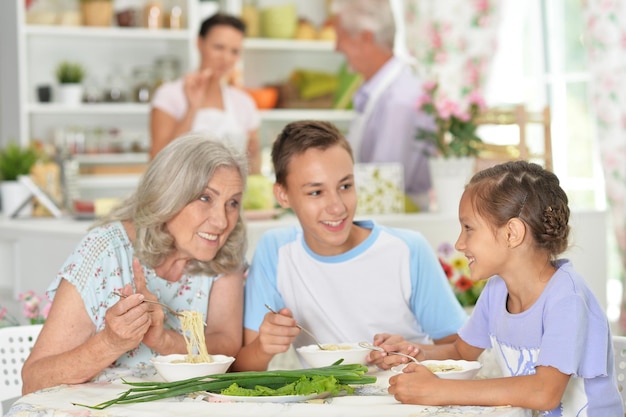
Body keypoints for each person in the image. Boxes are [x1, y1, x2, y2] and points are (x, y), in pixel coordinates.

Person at [385, 161, 623, 414]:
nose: (459, 243)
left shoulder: (567, 299)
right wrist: (414, 352)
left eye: (468, 228)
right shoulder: (497, 290)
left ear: (511, 233)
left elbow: (544, 393)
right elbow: (461, 352)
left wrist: (438, 391)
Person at [21, 133, 248, 394]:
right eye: (205, 198)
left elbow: (227, 345)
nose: (222, 221)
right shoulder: (105, 250)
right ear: (168, 194)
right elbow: (34, 380)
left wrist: (164, 340)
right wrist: (111, 341)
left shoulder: (224, 253)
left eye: (232, 203)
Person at [233, 120, 466, 372]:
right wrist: (264, 347)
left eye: (345, 186)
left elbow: (461, 350)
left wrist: (415, 352)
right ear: (283, 195)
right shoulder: (276, 251)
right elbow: (244, 370)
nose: (337, 207)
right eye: (316, 192)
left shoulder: (407, 250)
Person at [332, 0, 433, 210]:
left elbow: (382, 186)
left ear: (365, 37)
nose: (336, 47)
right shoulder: (376, 89)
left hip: (398, 221)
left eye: (340, 36)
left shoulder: (399, 99)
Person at [150, 13, 261, 174]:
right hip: (181, 198)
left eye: (234, 51)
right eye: (219, 47)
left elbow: (254, 171)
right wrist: (192, 108)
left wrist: (254, 154)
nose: (226, 58)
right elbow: (157, 163)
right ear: (199, 43)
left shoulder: (244, 103)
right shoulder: (168, 95)